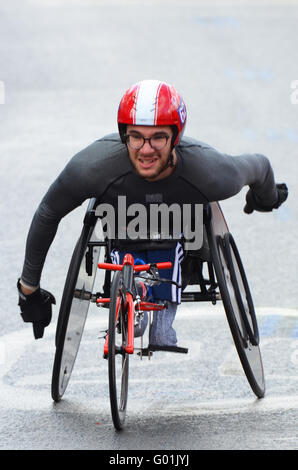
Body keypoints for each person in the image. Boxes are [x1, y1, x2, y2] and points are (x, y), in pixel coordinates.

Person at [17, 79, 288, 348]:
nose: (146, 149)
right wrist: (28, 291)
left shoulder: (211, 172)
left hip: (182, 235)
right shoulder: (92, 167)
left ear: (176, 137)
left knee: (192, 231)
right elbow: (48, 213)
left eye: (158, 137)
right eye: (136, 137)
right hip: (121, 229)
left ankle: (165, 288)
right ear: (124, 135)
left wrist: (267, 198)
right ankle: (134, 292)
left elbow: (259, 167)